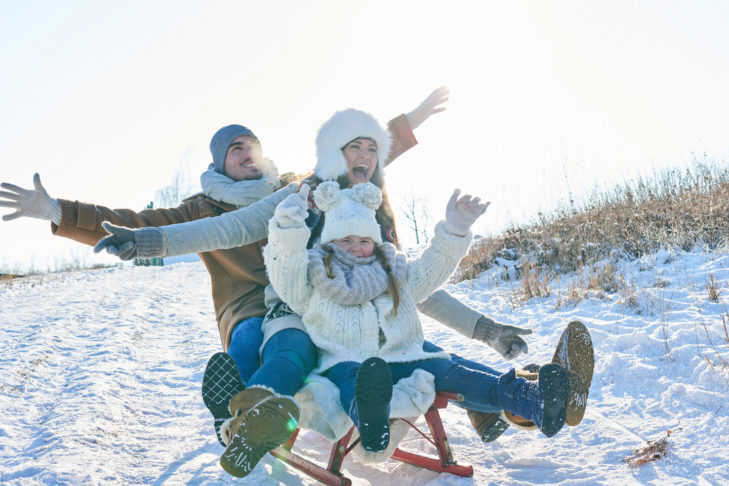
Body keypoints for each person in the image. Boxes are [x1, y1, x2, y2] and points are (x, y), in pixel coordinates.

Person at [0, 88, 451, 447]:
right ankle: (231, 409)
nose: (246, 153)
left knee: (335, 335)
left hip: (307, 296)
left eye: (251, 145)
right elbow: (139, 223)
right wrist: (58, 211)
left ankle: (257, 411)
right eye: (235, 149)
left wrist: (408, 122)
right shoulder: (204, 207)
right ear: (221, 162)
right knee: (252, 338)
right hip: (246, 306)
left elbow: (358, 158)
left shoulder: (297, 187)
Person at [254, 180, 580, 479]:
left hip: (408, 356)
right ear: (330, 240)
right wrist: (288, 225)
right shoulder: (313, 277)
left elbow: (431, 271)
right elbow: (285, 269)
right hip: (344, 360)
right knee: (355, 379)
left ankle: (532, 401)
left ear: (374, 239)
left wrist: (454, 230)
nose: (355, 247)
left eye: (363, 239)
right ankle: (372, 421)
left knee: (458, 375)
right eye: (346, 239)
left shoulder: (393, 272)